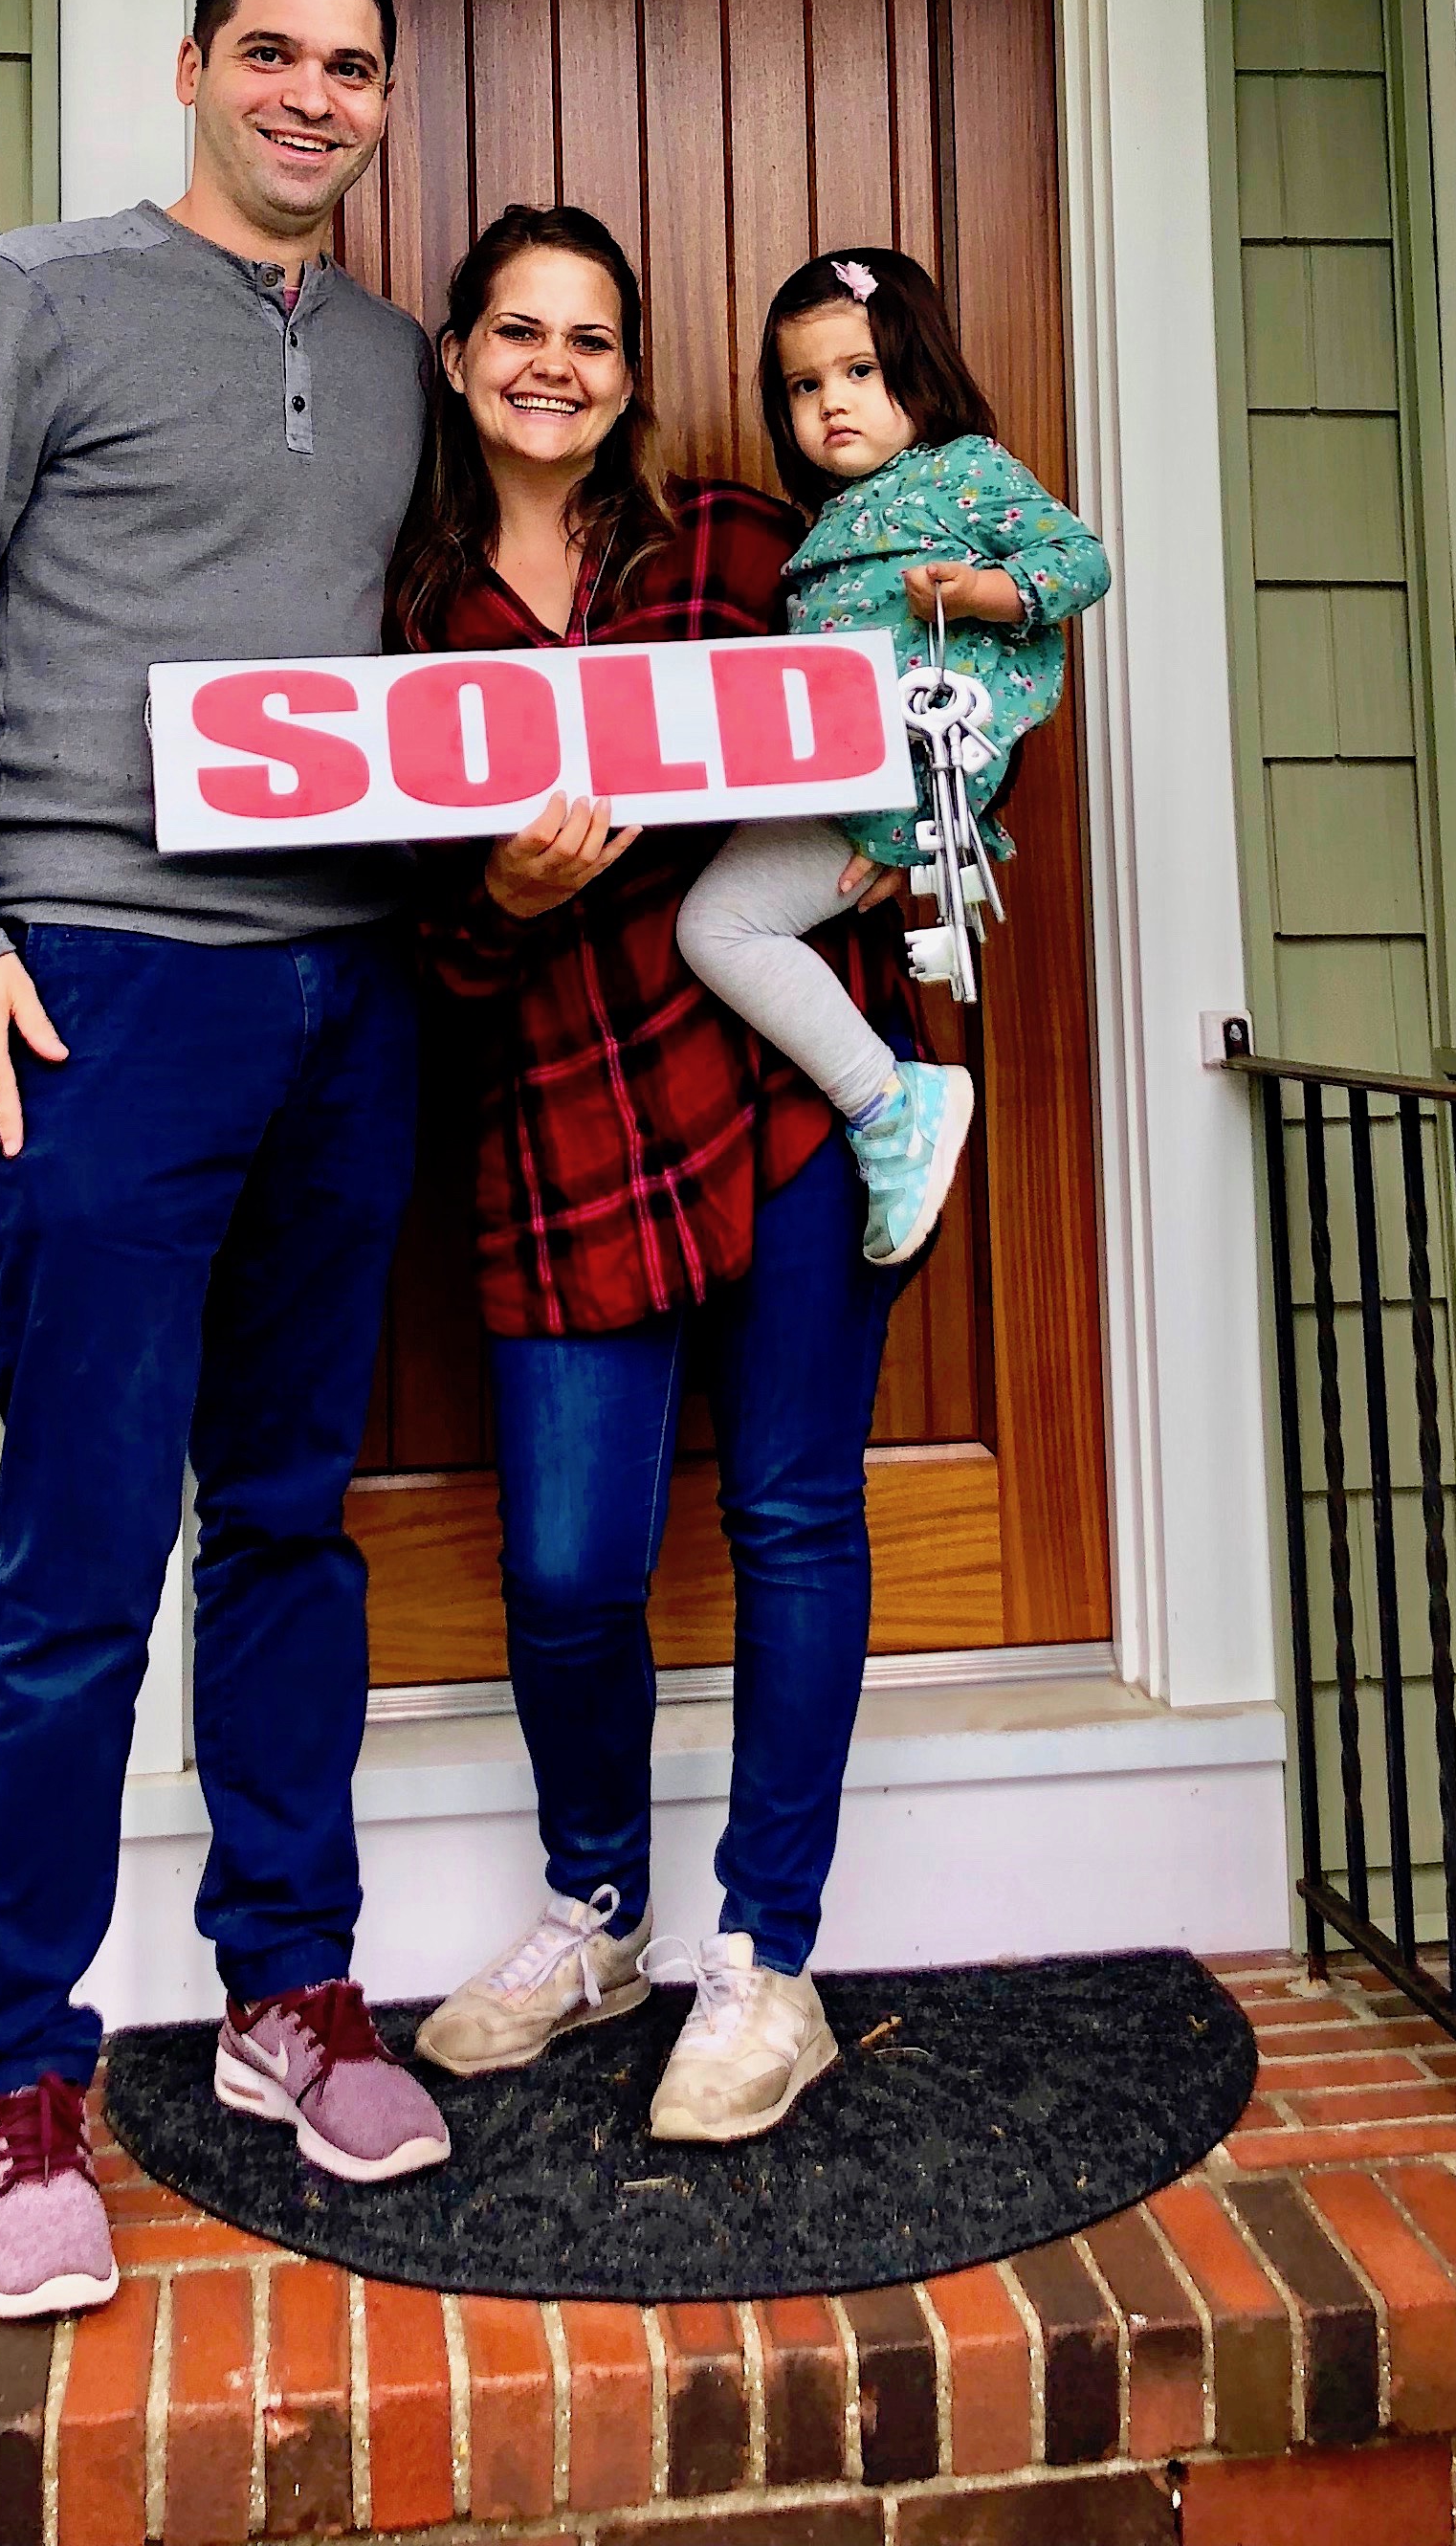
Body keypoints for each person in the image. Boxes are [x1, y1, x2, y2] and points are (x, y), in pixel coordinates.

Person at [0, 0, 452, 2323]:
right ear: (194, 67)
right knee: (82, 1555)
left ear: (387, 105)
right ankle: (16, 2083)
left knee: (291, 1519)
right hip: (96, 993)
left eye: (354, 66)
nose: (312, 94)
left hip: (346, 996)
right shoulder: (41, 297)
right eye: (273, 53)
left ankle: (288, 1990)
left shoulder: (405, 363)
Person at [388, 206, 907, 2144]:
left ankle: (765, 1959)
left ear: (629, 373)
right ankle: (597, 1911)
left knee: (791, 1519)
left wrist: (902, 831)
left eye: (591, 337)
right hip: (559, 1120)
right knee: (568, 1567)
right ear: (459, 359)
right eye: (518, 330)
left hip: (768, 1090)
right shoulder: (417, 616)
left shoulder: (737, 547)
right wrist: (504, 904)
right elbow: (418, 951)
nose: (553, 364)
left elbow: (914, 711)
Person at [676, 246, 1109, 1269]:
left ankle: (887, 1104)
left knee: (717, 927)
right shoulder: (831, 517)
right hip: (836, 767)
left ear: (917, 368)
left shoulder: (967, 471)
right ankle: (888, 1102)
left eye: (860, 372)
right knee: (715, 912)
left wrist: (981, 594)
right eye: (805, 385)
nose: (833, 403)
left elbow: (1077, 560)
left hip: (912, 759)